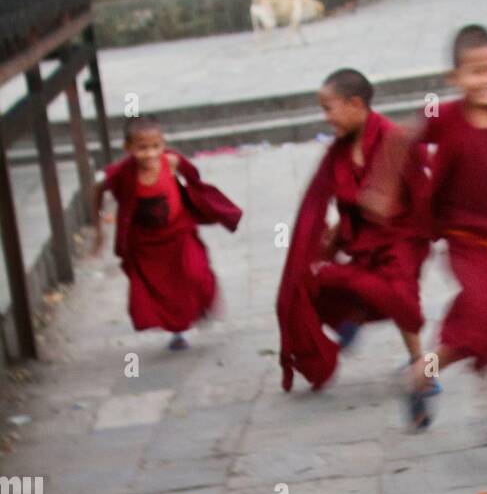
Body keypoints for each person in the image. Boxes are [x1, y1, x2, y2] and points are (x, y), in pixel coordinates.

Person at [401, 23, 487, 431]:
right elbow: (402, 139)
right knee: (486, 309)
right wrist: (387, 193)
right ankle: (434, 375)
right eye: (476, 71)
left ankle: (426, 373)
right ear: (455, 79)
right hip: (463, 240)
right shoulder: (444, 116)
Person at [276, 67, 432, 393]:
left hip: (401, 239)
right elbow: (324, 197)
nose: (327, 117)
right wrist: (328, 235)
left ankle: (423, 368)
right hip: (361, 241)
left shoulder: (395, 140)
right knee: (320, 280)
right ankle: (357, 315)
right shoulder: (340, 150)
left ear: (354, 103)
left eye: (328, 108)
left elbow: (424, 193)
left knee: (398, 296)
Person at [94, 116, 242, 349]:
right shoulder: (123, 173)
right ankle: (178, 330)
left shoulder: (171, 162)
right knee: (161, 288)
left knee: (196, 272)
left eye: (156, 146)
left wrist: (206, 205)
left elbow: (195, 181)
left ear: (163, 144)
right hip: (146, 242)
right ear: (128, 148)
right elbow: (100, 187)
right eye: (142, 148)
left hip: (179, 233)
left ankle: (201, 306)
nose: (151, 154)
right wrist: (99, 226)